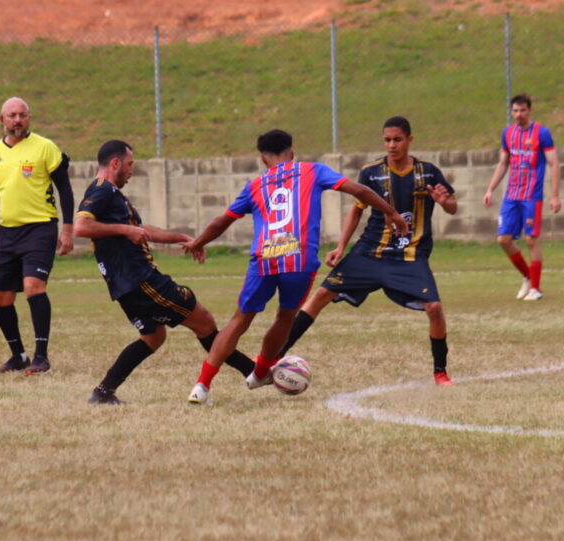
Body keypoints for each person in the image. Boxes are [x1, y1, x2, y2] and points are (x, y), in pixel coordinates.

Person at [182, 129, 409, 404]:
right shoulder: (311, 171)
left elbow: (222, 220)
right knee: (285, 317)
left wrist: (199, 242)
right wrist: (392, 213)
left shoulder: (254, 186)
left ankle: (202, 385)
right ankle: (261, 372)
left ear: (263, 160)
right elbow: (358, 190)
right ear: (291, 153)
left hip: (264, 259)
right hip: (298, 260)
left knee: (240, 320)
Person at [278, 116, 458, 386]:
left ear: (410, 140)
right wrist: (340, 247)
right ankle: (273, 357)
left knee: (434, 308)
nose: (392, 145)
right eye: (387, 140)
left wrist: (445, 203)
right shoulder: (371, 173)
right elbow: (356, 210)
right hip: (369, 253)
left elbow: (453, 206)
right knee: (322, 294)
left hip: (409, 257)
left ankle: (440, 372)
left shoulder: (429, 172)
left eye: (397, 139)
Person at [75, 140, 255, 405]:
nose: (131, 170)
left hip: (127, 285)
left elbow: (142, 229)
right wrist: (126, 231)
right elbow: (81, 227)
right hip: (141, 281)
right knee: (203, 321)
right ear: (115, 163)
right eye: (129, 164)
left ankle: (103, 392)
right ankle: (253, 371)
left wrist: (180, 237)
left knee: (154, 337)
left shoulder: (112, 195)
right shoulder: (102, 190)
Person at [0, 97, 75, 374]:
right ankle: (18, 355)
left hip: (40, 227)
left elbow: (65, 188)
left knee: (33, 287)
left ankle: (42, 356)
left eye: (22, 115)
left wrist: (68, 228)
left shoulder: (45, 147)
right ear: (1, 120)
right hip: (8, 231)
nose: (17, 120)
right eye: (12, 115)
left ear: (29, 118)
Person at [483, 93, 561, 301]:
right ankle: (527, 276)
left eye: (522, 110)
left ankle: (535, 288)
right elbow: (503, 163)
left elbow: (554, 163)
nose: (518, 114)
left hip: (531, 196)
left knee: (531, 239)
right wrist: (490, 189)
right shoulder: (508, 133)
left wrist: (554, 196)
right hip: (512, 195)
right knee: (503, 239)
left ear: (530, 110)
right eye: (515, 111)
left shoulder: (541, 133)